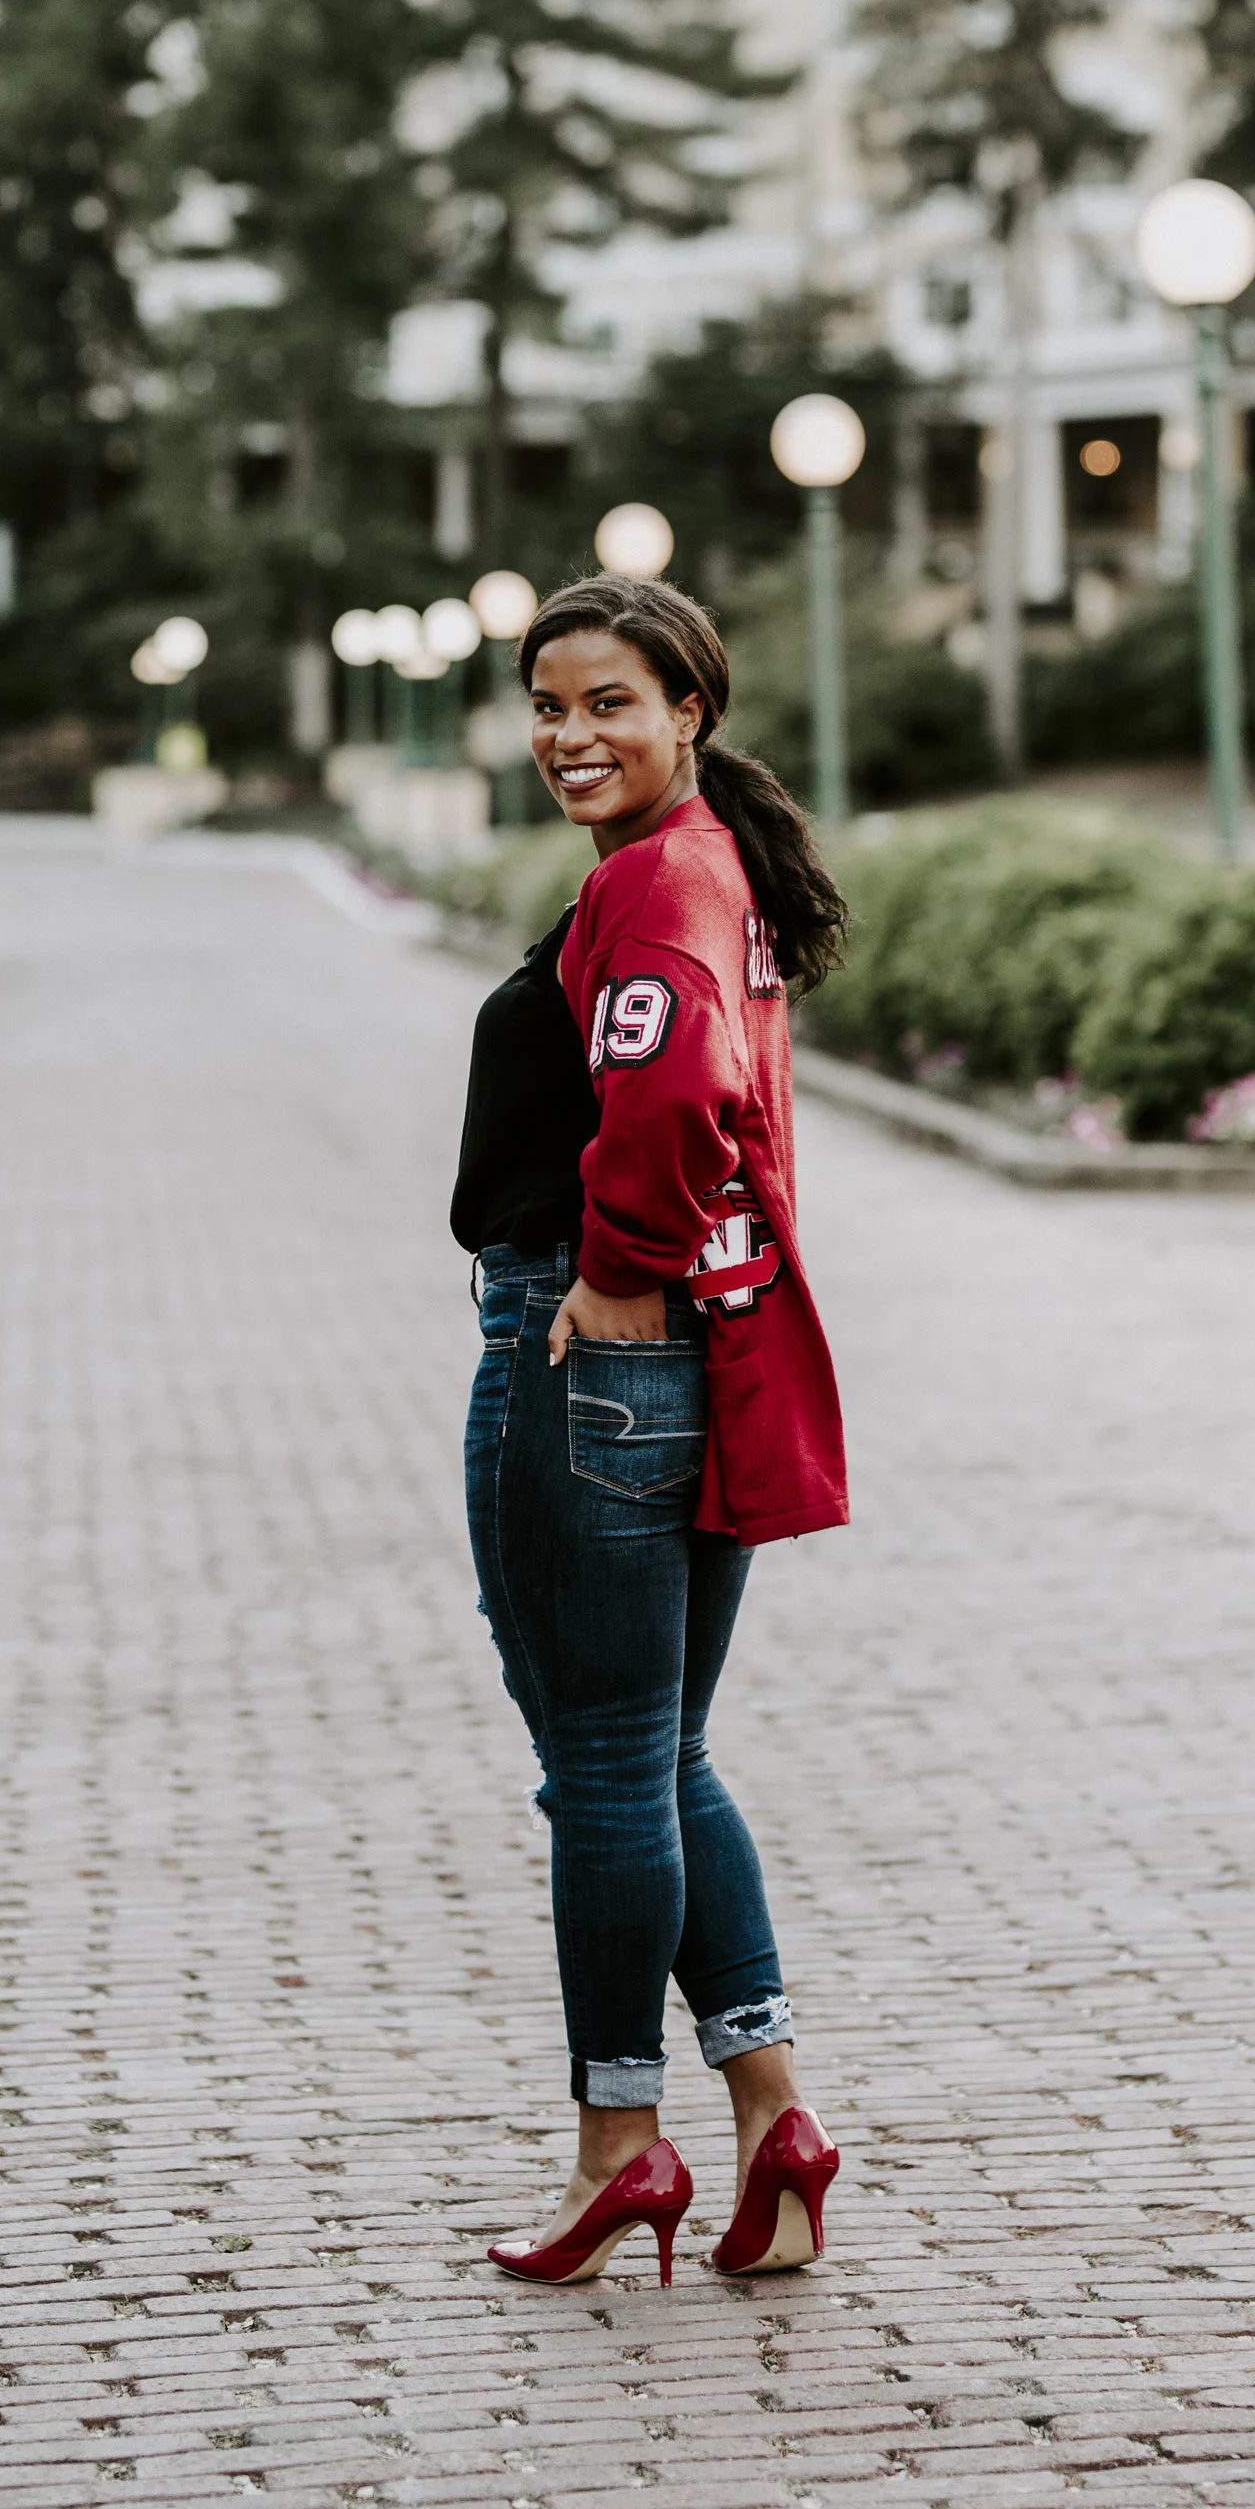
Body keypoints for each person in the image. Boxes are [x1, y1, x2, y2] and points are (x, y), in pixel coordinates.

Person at [452, 574, 850, 2287]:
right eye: (548, 705)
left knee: (603, 1767)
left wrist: (613, 1276)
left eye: (610, 701)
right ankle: (774, 2121)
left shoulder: (658, 881)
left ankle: (622, 2142)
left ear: (692, 710)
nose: (569, 736)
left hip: (598, 1356)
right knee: (657, 1756)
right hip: (701, 1358)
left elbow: (677, 1092)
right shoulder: (713, 870)